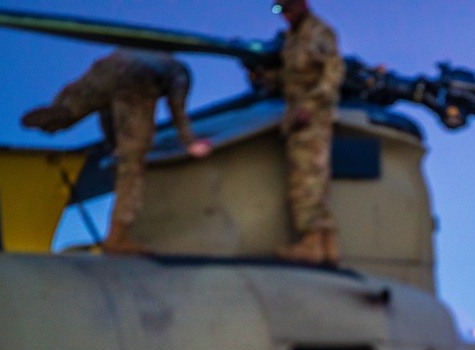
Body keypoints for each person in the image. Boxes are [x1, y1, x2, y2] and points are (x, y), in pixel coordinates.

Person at [21, 49, 212, 254]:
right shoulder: (180, 73)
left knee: (83, 107)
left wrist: (114, 145)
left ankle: (63, 115)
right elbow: (177, 110)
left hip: (105, 68)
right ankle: (118, 237)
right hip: (137, 81)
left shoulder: (141, 55)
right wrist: (190, 142)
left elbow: (108, 113)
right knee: (132, 164)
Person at [254, 0, 345, 265]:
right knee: (313, 179)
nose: (284, 14)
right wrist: (263, 76)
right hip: (298, 115)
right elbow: (288, 78)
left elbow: (333, 72)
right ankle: (326, 247)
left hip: (310, 117)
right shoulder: (292, 39)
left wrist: (311, 105)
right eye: (279, 10)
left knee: (306, 181)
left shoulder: (318, 32)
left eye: (288, 7)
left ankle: (312, 244)